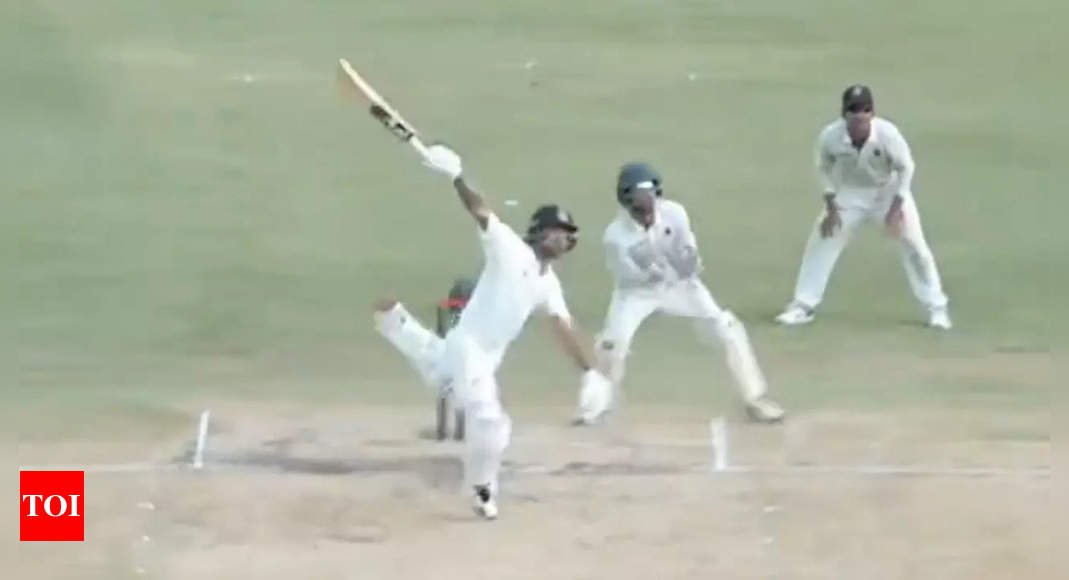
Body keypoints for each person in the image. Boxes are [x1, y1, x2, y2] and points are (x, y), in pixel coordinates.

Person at [373, 143, 612, 520]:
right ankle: (482, 490)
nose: (567, 240)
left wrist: (590, 372)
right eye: (561, 232)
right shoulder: (511, 249)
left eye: (570, 235)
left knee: (439, 371)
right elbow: (481, 212)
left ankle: (394, 322)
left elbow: (562, 327)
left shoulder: (548, 283)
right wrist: (457, 177)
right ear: (541, 232)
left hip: (476, 356)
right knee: (492, 424)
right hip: (469, 349)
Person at [577, 162, 786, 425]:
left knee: (727, 328)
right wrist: (649, 268)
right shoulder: (615, 236)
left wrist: (687, 263)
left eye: (649, 198)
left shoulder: (675, 214)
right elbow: (629, 275)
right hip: (636, 293)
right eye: (638, 203)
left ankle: (755, 399)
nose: (646, 209)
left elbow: (688, 253)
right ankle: (596, 407)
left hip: (680, 285)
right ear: (626, 201)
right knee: (612, 345)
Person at [775, 85, 952, 329]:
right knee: (823, 239)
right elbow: (823, 167)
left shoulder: (888, 134)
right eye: (854, 110)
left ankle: (937, 309)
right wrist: (831, 205)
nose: (859, 116)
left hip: (888, 191)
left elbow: (906, 168)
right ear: (844, 114)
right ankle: (803, 306)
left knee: (915, 246)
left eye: (865, 110)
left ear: (872, 113)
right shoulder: (831, 136)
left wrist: (896, 209)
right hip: (852, 192)